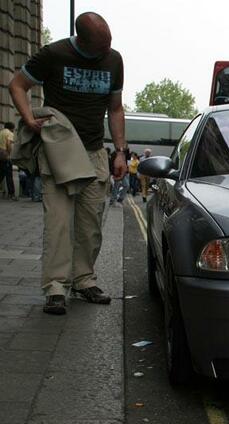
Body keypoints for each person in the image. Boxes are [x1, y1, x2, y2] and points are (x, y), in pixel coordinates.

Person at [8, 12, 127, 315]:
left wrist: (120, 152)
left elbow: (115, 109)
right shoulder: (54, 54)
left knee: (90, 225)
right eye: (101, 46)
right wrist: (28, 118)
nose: (107, 50)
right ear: (82, 41)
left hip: (94, 151)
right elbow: (17, 85)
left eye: (109, 43)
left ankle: (83, 279)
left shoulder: (114, 61)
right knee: (59, 223)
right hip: (59, 150)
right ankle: (56, 287)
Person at [0, 121, 18, 201]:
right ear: (12, 128)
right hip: (5, 153)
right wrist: (9, 154)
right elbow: (8, 143)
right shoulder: (9, 133)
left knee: (1, 173)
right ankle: (11, 194)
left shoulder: (1, 132)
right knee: (9, 174)